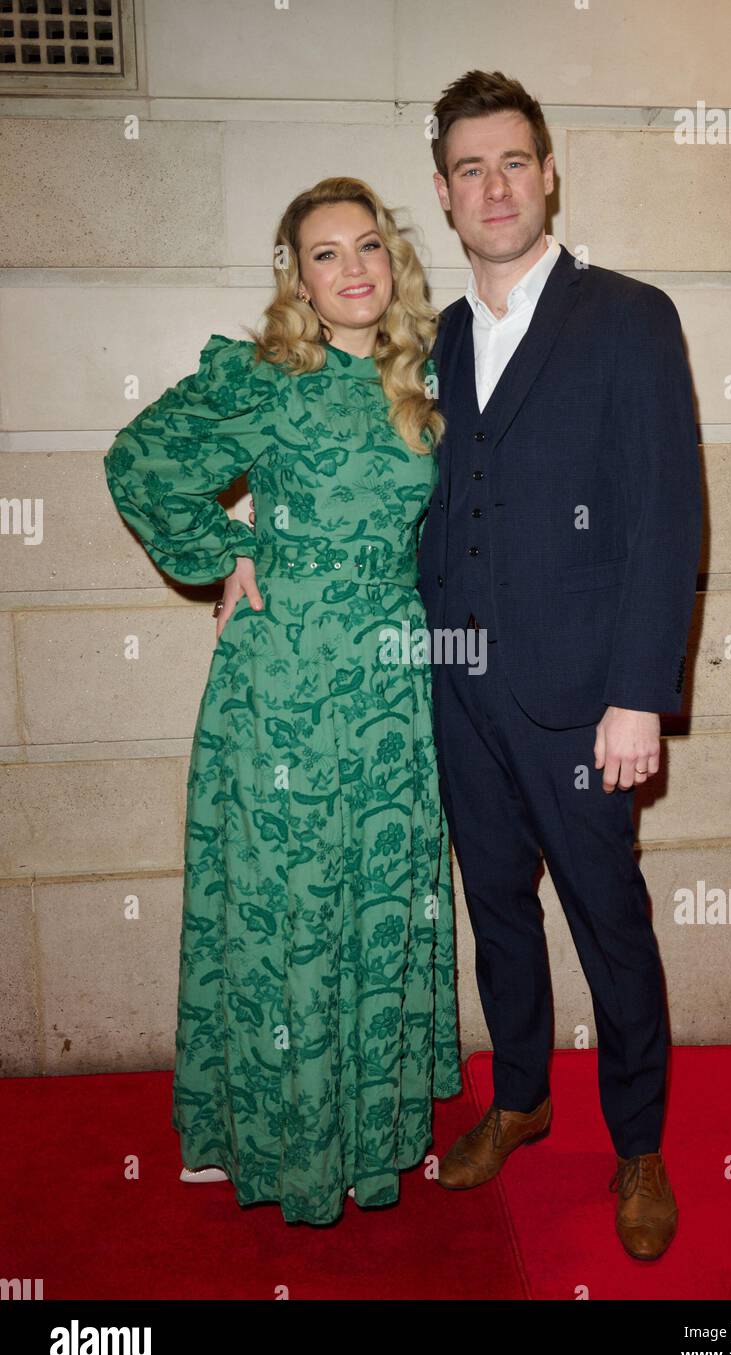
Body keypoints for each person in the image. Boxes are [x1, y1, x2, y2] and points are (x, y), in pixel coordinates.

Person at [103, 177, 461, 1227]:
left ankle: (364, 1132)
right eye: (323, 253)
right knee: (286, 899)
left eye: (368, 247)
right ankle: (257, 1130)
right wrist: (226, 553)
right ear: (294, 278)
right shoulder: (264, 378)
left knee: (375, 893)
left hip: (391, 681)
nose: (352, 268)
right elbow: (141, 460)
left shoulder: (426, 379)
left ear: (391, 263)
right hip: (285, 678)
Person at [415, 71, 703, 1261]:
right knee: (495, 913)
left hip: (585, 698)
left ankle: (634, 1142)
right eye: (469, 168)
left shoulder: (629, 316)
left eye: (513, 162)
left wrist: (639, 690)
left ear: (547, 175)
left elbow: (666, 515)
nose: (494, 186)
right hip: (460, 684)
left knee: (608, 922)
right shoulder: (434, 335)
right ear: (442, 194)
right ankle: (521, 1097)